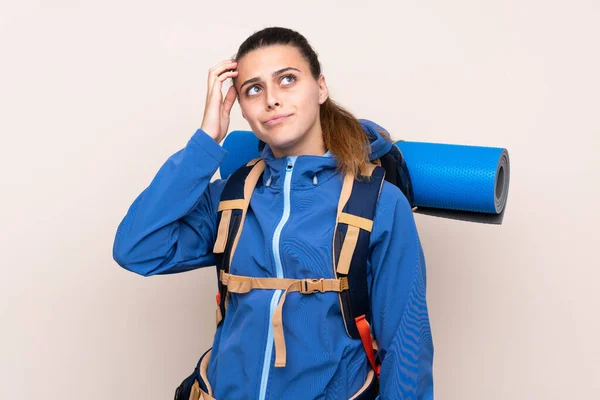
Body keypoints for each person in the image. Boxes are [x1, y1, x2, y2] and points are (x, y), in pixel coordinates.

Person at [113, 26, 434, 399]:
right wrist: (206, 141)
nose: (271, 100)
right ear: (242, 108)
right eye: (254, 89)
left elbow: (407, 347)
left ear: (321, 88)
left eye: (287, 80)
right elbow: (135, 248)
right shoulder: (231, 198)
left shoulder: (377, 202)